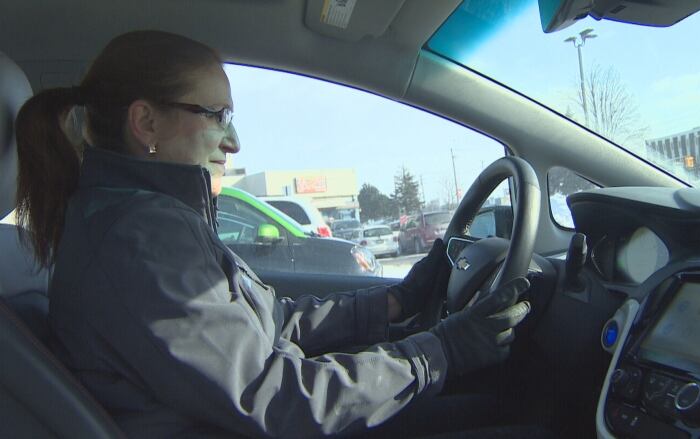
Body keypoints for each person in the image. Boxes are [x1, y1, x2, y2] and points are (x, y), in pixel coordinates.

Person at [14, 30, 531, 438]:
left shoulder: (143, 220)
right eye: (218, 116)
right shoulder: (138, 238)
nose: (234, 140)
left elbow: (267, 326)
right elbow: (271, 397)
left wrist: (396, 302)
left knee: (490, 410)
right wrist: (436, 352)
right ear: (146, 122)